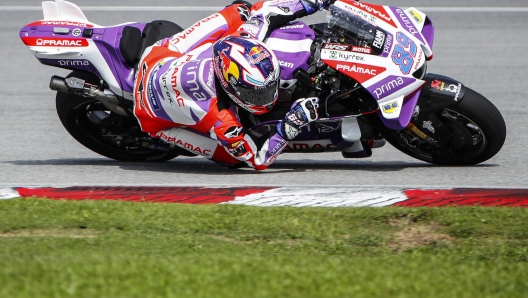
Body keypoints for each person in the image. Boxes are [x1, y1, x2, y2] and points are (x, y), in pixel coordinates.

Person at [134, 0, 334, 170]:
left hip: (159, 57)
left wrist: (310, 3)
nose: (269, 98)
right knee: (233, 159)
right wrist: (291, 125)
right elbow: (257, 159)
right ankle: (160, 132)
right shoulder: (223, 122)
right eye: (257, 94)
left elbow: (266, 11)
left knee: (241, 10)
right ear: (231, 87)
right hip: (150, 114)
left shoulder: (246, 36)